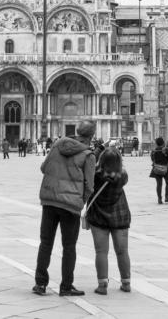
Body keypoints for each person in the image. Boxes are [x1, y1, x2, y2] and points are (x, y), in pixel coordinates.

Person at [33, 120, 96, 297]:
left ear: (77, 131)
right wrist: (81, 201)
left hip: (49, 200)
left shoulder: (57, 145)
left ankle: (40, 284)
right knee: (69, 246)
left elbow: (43, 167)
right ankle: (66, 286)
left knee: (45, 243)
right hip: (70, 205)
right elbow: (90, 185)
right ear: (91, 136)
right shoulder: (88, 155)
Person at [86, 148, 131, 295]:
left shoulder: (95, 175)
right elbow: (120, 173)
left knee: (101, 251)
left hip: (99, 216)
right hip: (120, 215)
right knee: (122, 251)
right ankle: (126, 282)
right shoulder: (123, 176)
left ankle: (102, 285)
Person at [150, 137, 168, 203]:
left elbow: (152, 159)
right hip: (167, 169)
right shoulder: (166, 150)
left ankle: (159, 199)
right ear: (163, 143)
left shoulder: (153, 151)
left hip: (157, 169)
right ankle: (167, 197)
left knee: (159, 184)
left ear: (156, 143)